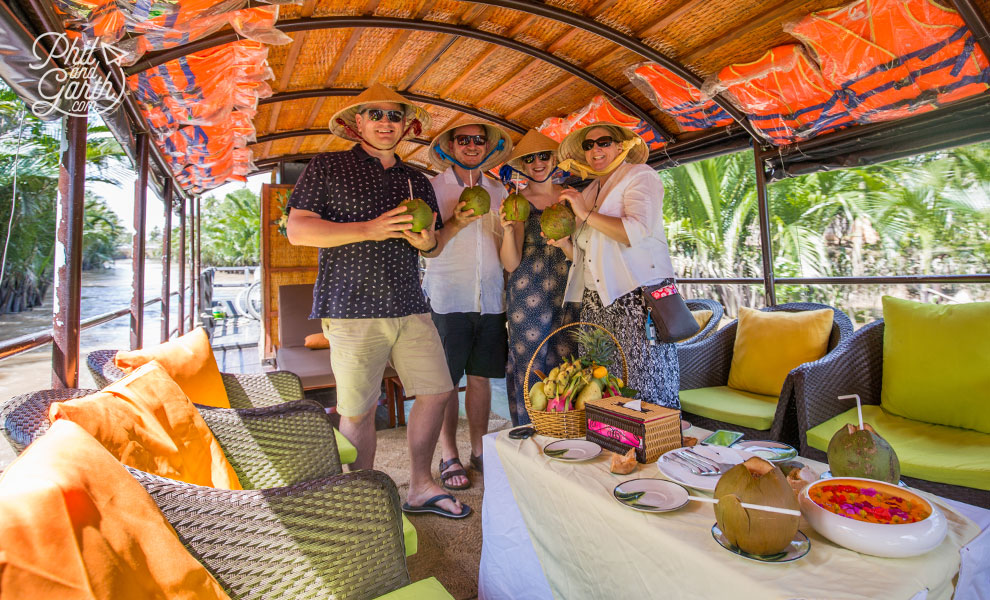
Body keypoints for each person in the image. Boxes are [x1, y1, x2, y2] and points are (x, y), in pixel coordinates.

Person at [286, 83, 469, 518]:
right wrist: (370, 228)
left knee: (438, 391)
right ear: (358, 122)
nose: (386, 123)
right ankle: (363, 502)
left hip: (410, 302)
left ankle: (421, 486)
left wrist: (431, 238)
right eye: (376, 114)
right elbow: (298, 230)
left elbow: (432, 246)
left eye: (394, 116)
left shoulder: (417, 181)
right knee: (358, 410)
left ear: (407, 124)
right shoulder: (328, 166)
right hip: (351, 307)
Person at [548, 122, 680, 409]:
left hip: (635, 298)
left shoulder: (640, 176)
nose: (596, 149)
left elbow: (634, 231)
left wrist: (582, 212)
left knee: (642, 384)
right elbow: (589, 258)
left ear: (621, 146)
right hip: (596, 302)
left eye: (604, 142)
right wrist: (565, 246)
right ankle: (615, 449)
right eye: (588, 145)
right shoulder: (591, 189)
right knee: (603, 386)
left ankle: (657, 449)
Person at [422, 121, 513, 490]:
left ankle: (478, 450)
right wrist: (455, 220)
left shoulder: (498, 189)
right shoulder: (432, 188)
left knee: (480, 379)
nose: (472, 146)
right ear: (450, 145)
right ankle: (449, 455)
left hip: (490, 298)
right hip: (448, 297)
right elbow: (427, 243)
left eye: (479, 140)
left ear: (487, 147)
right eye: (464, 140)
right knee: (446, 384)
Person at [498, 129, 581, 426]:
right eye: (530, 158)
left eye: (544, 156)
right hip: (527, 290)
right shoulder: (518, 201)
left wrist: (565, 245)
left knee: (568, 360)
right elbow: (510, 263)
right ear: (522, 164)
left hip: (568, 287)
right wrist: (508, 230)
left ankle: (566, 429)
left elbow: (584, 252)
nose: (537, 163)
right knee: (529, 362)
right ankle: (527, 431)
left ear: (554, 158)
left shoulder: (573, 198)